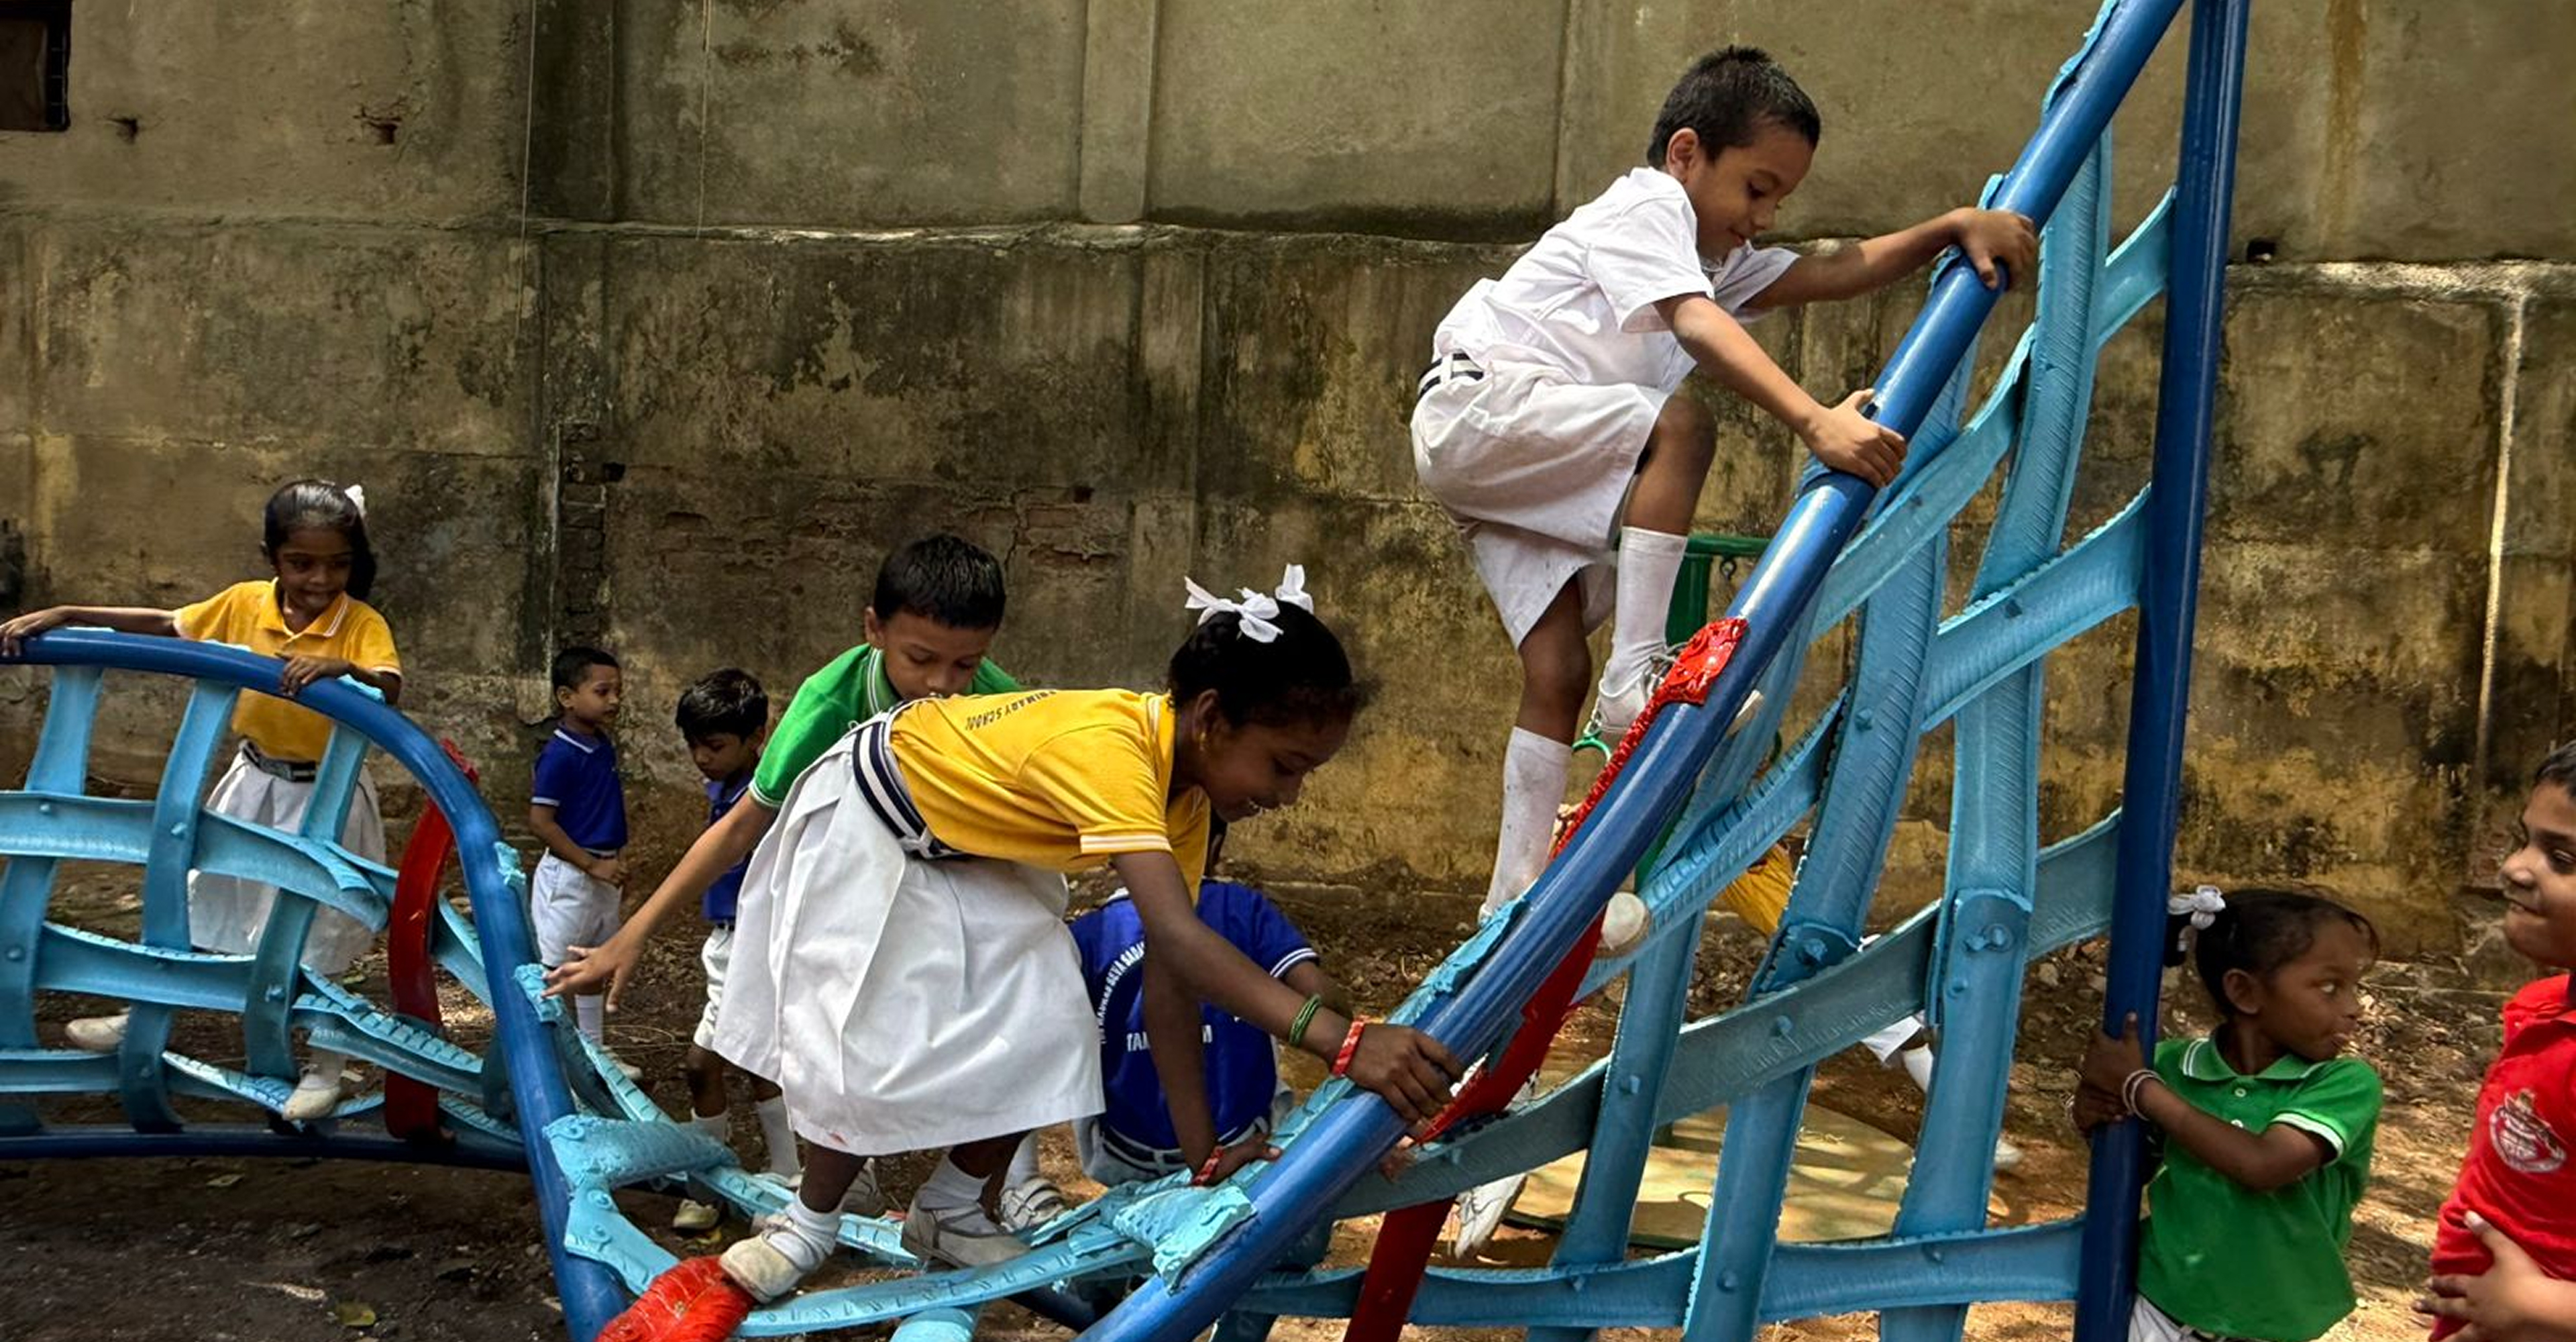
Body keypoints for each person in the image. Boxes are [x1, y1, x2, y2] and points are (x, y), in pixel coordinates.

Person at [628, 567, 1460, 1313]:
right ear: (1210, 717)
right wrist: (1345, 1040)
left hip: (967, 844)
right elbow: (1176, 932)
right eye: (1284, 765)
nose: (1292, 793)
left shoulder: (1189, 801)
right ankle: (808, 1222)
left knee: (1056, 1012)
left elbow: (1174, 967)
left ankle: (954, 1204)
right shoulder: (1111, 750)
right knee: (868, 1030)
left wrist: (1204, 1157)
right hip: (868, 817)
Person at [1409, 45, 2035, 933]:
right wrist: (1816, 420)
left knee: (1554, 669)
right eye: (1756, 188)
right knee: (1681, 425)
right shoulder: (1646, 208)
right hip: (1487, 408)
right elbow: (1696, 327)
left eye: (1780, 199)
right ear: (1686, 154)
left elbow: (1827, 271)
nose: (1763, 216)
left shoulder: (1709, 254)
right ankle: (1638, 675)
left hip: (1508, 449)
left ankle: (1512, 896)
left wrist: (1947, 229)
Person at [546, 532, 1025, 1219]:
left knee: (1017, 1008)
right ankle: (831, 1189)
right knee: (828, 1039)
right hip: (834, 892)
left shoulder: (998, 703)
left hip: (941, 882)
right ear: (874, 629)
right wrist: (635, 934)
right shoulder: (829, 703)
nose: (943, 684)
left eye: (966, 663)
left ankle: (979, 1197)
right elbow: (742, 824)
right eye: (921, 659)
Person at [0, 480, 400, 1121]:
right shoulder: (245, 604)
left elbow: (389, 684)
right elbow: (168, 623)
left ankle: (326, 1066)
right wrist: (68, 613)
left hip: (326, 792)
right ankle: (143, 1013)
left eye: (337, 563)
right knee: (197, 895)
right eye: (302, 563)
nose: (320, 579)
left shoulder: (360, 624)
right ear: (271, 557)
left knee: (318, 926)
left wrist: (343, 670)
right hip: (253, 779)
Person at [2074, 888, 2382, 1342]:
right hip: (2161, 1307)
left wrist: (2139, 1089)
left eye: (2356, 987)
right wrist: (2091, 1112)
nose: (2355, 1009)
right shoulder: (2173, 1068)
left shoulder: (2342, 1084)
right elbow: (2134, 1166)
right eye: (2330, 987)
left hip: (2271, 1329)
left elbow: (2264, 1165)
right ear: (2244, 991)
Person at [1069, 827, 1343, 1188]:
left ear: (1113, 854)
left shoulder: (1089, 934)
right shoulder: (1239, 909)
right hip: (1243, 1143)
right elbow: (1320, 997)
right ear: (1213, 845)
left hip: (1127, 1153)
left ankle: (1019, 1187)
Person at [2420, 743, 2576, 1340]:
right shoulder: (2544, 1009)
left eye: (2562, 858)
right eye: (2526, 839)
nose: (2514, 866)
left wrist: (2538, 1304)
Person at [666, 668, 802, 1232]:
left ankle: (720, 1182)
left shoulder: (766, 797)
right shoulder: (723, 785)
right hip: (725, 940)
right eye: (694, 746)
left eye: (715, 746)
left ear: (757, 738)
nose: (702, 758)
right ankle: (772, 1172)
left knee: (709, 1062)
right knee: (754, 1059)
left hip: (754, 942)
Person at [526, 646, 638, 1076]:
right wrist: (592, 865)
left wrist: (614, 860)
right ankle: (552, 1063)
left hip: (603, 873)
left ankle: (594, 1052)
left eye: (617, 691)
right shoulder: (560, 754)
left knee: (594, 961)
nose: (613, 700)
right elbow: (541, 821)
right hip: (571, 878)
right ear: (567, 697)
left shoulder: (600, 744)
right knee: (555, 969)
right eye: (603, 691)